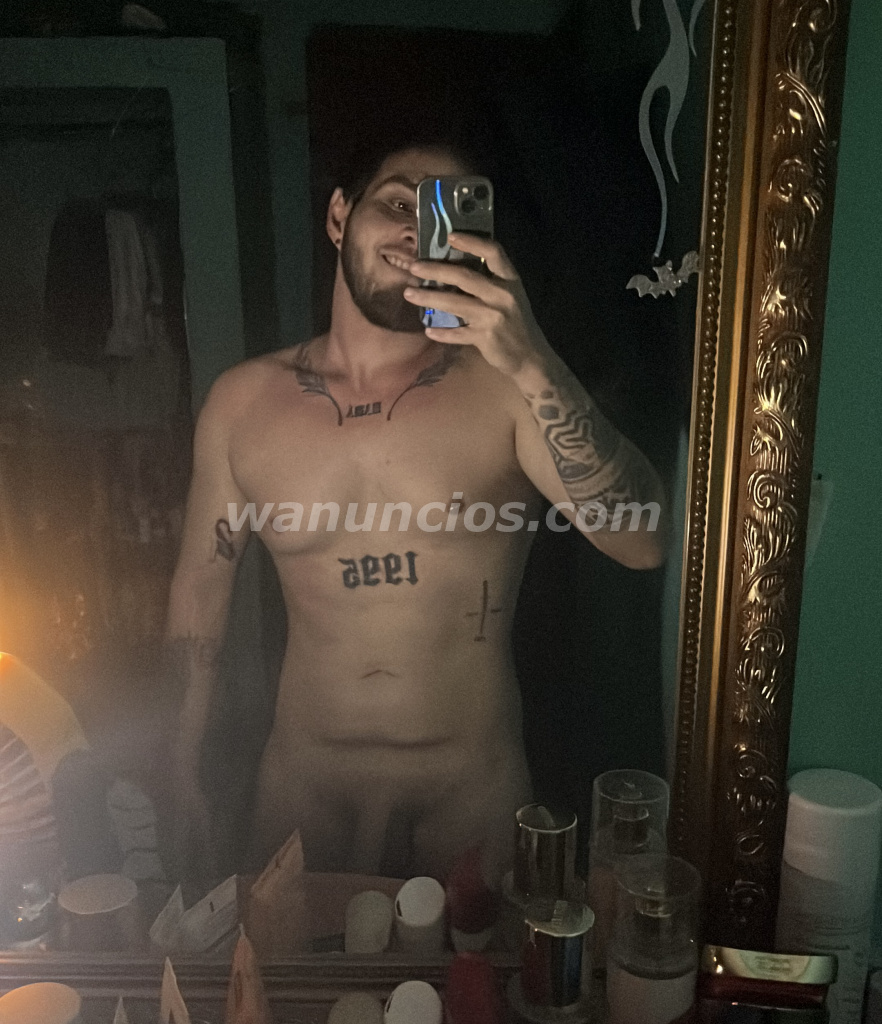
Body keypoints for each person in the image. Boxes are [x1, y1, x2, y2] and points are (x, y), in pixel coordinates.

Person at [166, 141, 668, 883]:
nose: (414, 231)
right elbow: (201, 587)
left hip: (468, 792)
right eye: (398, 202)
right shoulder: (242, 403)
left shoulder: (506, 387)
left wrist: (533, 359)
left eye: (445, 220)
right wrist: (180, 761)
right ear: (339, 216)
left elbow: (643, 541)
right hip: (304, 787)